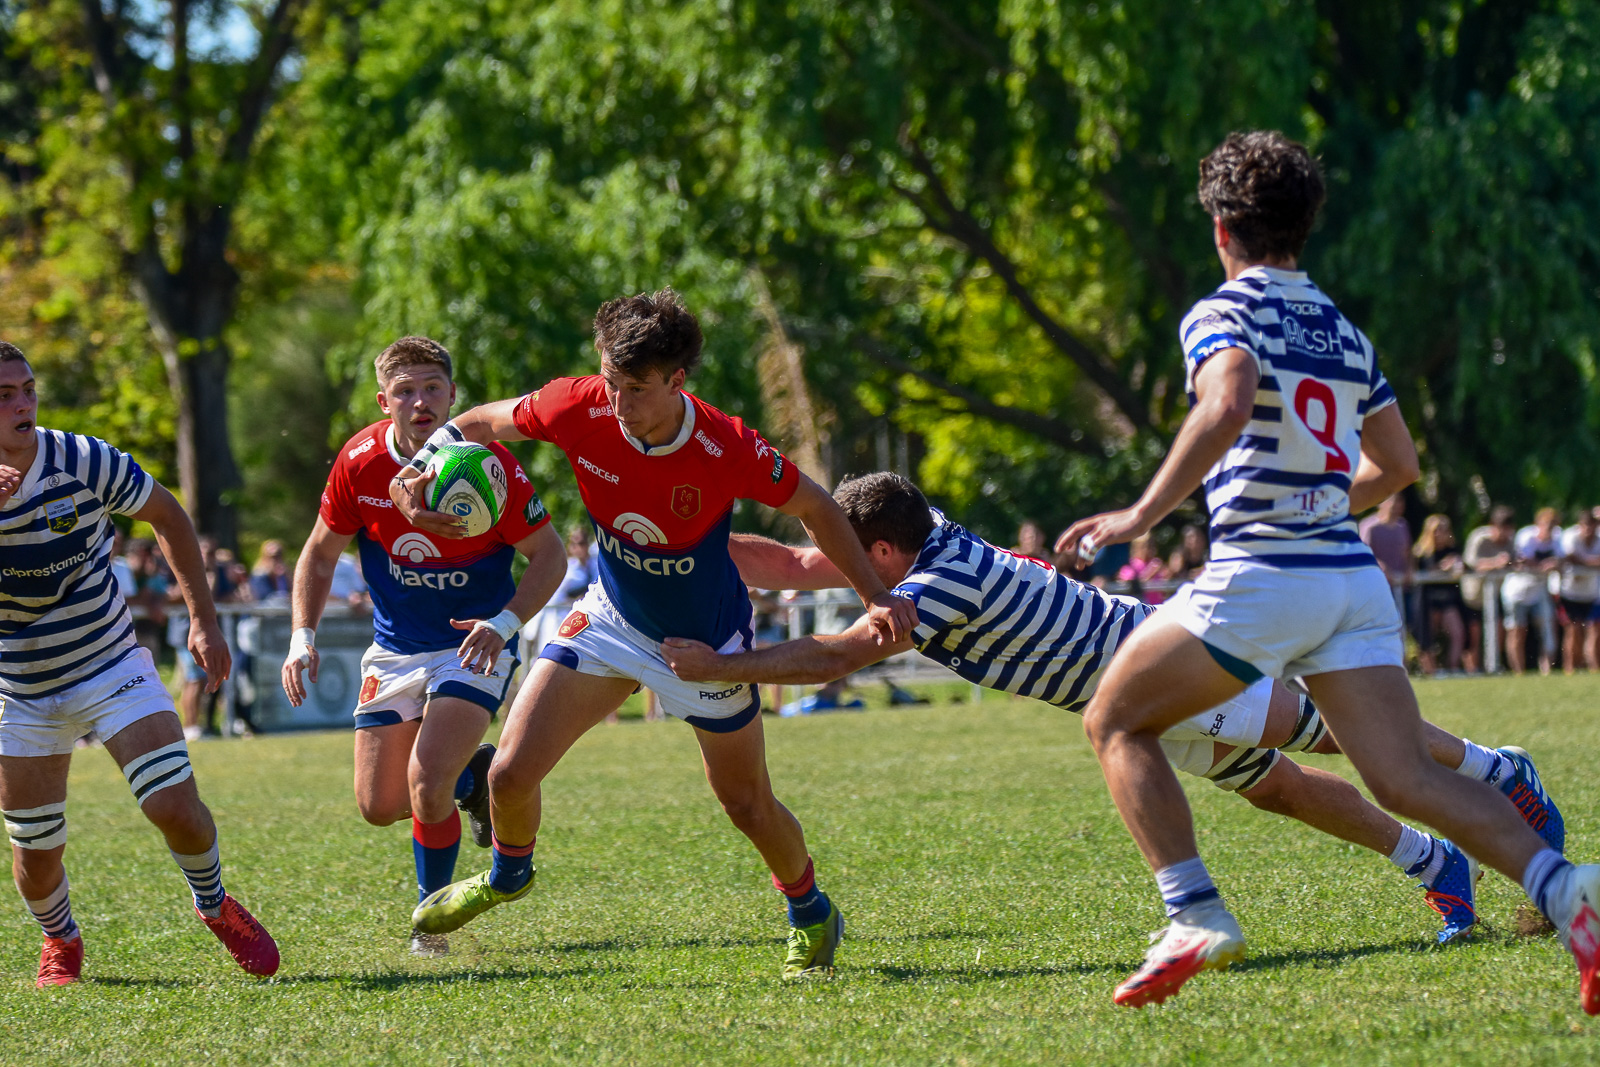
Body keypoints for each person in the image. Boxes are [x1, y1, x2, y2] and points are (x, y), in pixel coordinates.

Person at [1051, 131, 1597, 1012]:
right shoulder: (1342, 328)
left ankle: (1194, 912)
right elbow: (1399, 462)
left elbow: (1228, 399)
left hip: (1265, 573)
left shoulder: (1223, 310)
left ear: (1222, 228)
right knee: (1407, 777)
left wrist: (1138, 516)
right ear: (1305, 225)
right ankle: (1567, 889)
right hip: (1349, 577)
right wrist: (1320, 503)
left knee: (1115, 718)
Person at [662, 472, 1561, 943]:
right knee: (1279, 787)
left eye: (858, 559)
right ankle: (1436, 860)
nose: (849, 572)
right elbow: (794, 563)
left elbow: (835, 656)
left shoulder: (936, 587)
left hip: (1164, 669)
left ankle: (1495, 770)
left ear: (886, 552)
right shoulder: (920, 539)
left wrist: (726, 666)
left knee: (1344, 735)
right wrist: (688, 541)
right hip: (1138, 688)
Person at [391, 289, 919, 978]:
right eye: (610, 380)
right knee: (511, 773)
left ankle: (811, 909)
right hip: (612, 619)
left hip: (706, 646)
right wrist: (420, 466)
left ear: (678, 380)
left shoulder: (725, 445)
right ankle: (508, 874)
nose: (617, 402)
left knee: (746, 804)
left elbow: (817, 506)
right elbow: (483, 422)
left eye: (636, 388)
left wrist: (875, 594)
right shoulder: (576, 403)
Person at [0, 342, 277, 987]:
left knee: (175, 806)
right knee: (36, 856)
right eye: (4, 396)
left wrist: (204, 621)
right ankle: (60, 938)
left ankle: (214, 904)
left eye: (28, 389)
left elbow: (168, 516)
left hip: (109, 662)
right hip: (19, 687)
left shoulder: (82, 459)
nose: (22, 405)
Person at [281, 336, 566, 958]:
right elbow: (319, 555)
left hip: (472, 644)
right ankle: (475, 776)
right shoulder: (360, 462)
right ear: (383, 402)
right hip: (395, 648)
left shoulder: (489, 467)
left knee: (426, 781)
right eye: (404, 391)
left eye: (432, 387)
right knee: (379, 805)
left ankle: (428, 925)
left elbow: (550, 555)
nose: (420, 402)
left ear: (453, 395)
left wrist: (506, 622)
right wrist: (303, 637)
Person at [1506, 507, 1561, 674]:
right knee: (1518, 630)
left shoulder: (1557, 537)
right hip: (1517, 590)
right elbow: (1522, 559)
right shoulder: (1526, 535)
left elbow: (1563, 558)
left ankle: (1546, 670)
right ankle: (1518, 671)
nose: (1550, 529)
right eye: (1547, 524)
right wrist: (1543, 565)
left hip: (1539, 591)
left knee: (1548, 629)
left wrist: (1555, 563)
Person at [1412, 514, 1468, 675]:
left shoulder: (1452, 551)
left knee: (1458, 633)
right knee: (1426, 636)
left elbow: (1464, 568)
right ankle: (1431, 672)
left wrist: (1457, 565)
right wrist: (1441, 568)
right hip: (1426, 600)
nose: (1440, 533)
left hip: (1447, 600)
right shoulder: (1421, 553)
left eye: (1444, 530)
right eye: (1437, 530)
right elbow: (1419, 571)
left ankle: (1453, 668)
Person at [1463, 505, 1517, 671]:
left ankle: (1493, 665)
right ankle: (1472, 672)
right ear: (1493, 525)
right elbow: (1471, 564)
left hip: (1496, 595)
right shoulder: (1479, 538)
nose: (1504, 534)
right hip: (1473, 596)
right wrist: (1495, 563)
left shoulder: (1511, 541)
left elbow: (1513, 563)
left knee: (1499, 630)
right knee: (1474, 635)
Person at [1359, 493, 1413, 628]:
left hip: (1399, 584)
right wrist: (1381, 566)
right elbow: (1363, 553)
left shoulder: (1402, 526)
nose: (1396, 507)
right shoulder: (1370, 526)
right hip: (1377, 585)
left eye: (1399, 502)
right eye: (1393, 502)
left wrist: (1409, 568)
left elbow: (1408, 552)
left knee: (1402, 623)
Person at [1559, 507, 1600, 673]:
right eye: (1585, 525)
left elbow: (1578, 559)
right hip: (1570, 592)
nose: (1588, 529)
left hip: (1591, 592)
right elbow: (1571, 557)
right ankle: (1569, 667)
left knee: (1594, 630)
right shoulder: (1570, 536)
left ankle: (1593, 667)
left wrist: (1583, 562)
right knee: (1573, 630)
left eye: (1592, 525)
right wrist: (1593, 562)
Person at [1117, 533, 1171, 605]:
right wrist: (1150, 573)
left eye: (1152, 545)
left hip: (1157, 605)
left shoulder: (1155, 563)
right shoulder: (1132, 566)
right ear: (1136, 548)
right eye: (1147, 546)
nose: (1151, 549)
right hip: (1140, 607)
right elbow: (1132, 583)